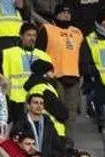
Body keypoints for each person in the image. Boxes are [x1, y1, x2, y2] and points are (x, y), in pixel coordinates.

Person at [35, 4, 83, 147]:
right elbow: (39, 54)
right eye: (62, 13)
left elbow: (81, 55)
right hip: (55, 78)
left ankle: (68, 143)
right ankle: (56, 140)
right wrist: (45, 72)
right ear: (56, 15)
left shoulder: (77, 32)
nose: (66, 15)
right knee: (56, 111)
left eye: (68, 13)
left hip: (73, 78)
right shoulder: (47, 30)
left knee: (71, 113)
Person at [1, 22, 53, 124]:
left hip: (38, 99)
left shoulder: (43, 55)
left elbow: (50, 78)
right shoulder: (9, 53)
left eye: (34, 35)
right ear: (21, 36)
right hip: (16, 100)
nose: (32, 38)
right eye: (28, 35)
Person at [80, 7, 105, 157]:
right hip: (104, 88)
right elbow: (84, 66)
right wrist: (100, 73)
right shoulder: (90, 39)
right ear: (102, 20)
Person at [14, 93, 64, 157]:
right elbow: (15, 148)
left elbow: (57, 146)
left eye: (41, 103)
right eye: (35, 103)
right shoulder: (20, 124)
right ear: (28, 106)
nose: (39, 106)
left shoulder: (48, 123)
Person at [24, 59, 69, 143]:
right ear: (44, 73)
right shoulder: (43, 88)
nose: (53, 74)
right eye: (51, 71)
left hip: (44, 131)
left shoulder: (36, 86)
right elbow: (63, 113)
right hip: (53, 132)